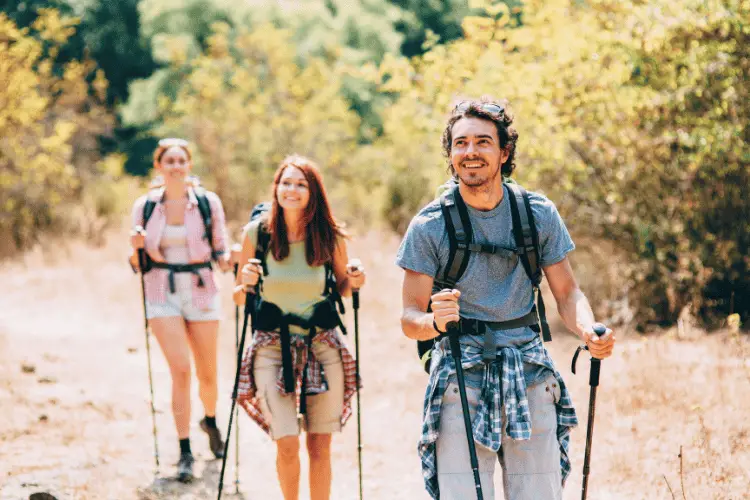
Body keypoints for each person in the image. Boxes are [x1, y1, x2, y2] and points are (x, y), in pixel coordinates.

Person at [396, 99, 617, 500]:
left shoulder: (537, 214)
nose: (471, 152)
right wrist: (435, 321)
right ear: (450, 153)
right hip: (459, 378)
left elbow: (567, 293)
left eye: (483, 142)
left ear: (504, 151)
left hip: (529, 371)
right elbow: (410, 317)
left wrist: (588, 329)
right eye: (460, 143)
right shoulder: (430, 225)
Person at [233, 155, 366, 500]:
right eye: (285, 182)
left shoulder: (329, 236)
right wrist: (245, 282)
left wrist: (355, 279)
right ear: (276, 188)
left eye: (300, 184)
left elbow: (342, 286)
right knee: (287, 442)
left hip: (322, 345)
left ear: (313, 192)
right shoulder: (257, 234)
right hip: (271, 347)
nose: (291, 190)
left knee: (319, 445)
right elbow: (239, 297)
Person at [129, 138, 233, 482]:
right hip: (161, 292)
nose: (175, 166)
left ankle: (210, 419)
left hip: (201, 291)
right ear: (159, 167)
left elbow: (220, 252)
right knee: (180, 371)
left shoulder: (207, 203)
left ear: (189, 166)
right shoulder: (145, 206)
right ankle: (185, 450)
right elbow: (137, 263)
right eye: (169, 161)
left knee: (208, 374)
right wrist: (136, 248)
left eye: (181, 160)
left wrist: (232, 258)